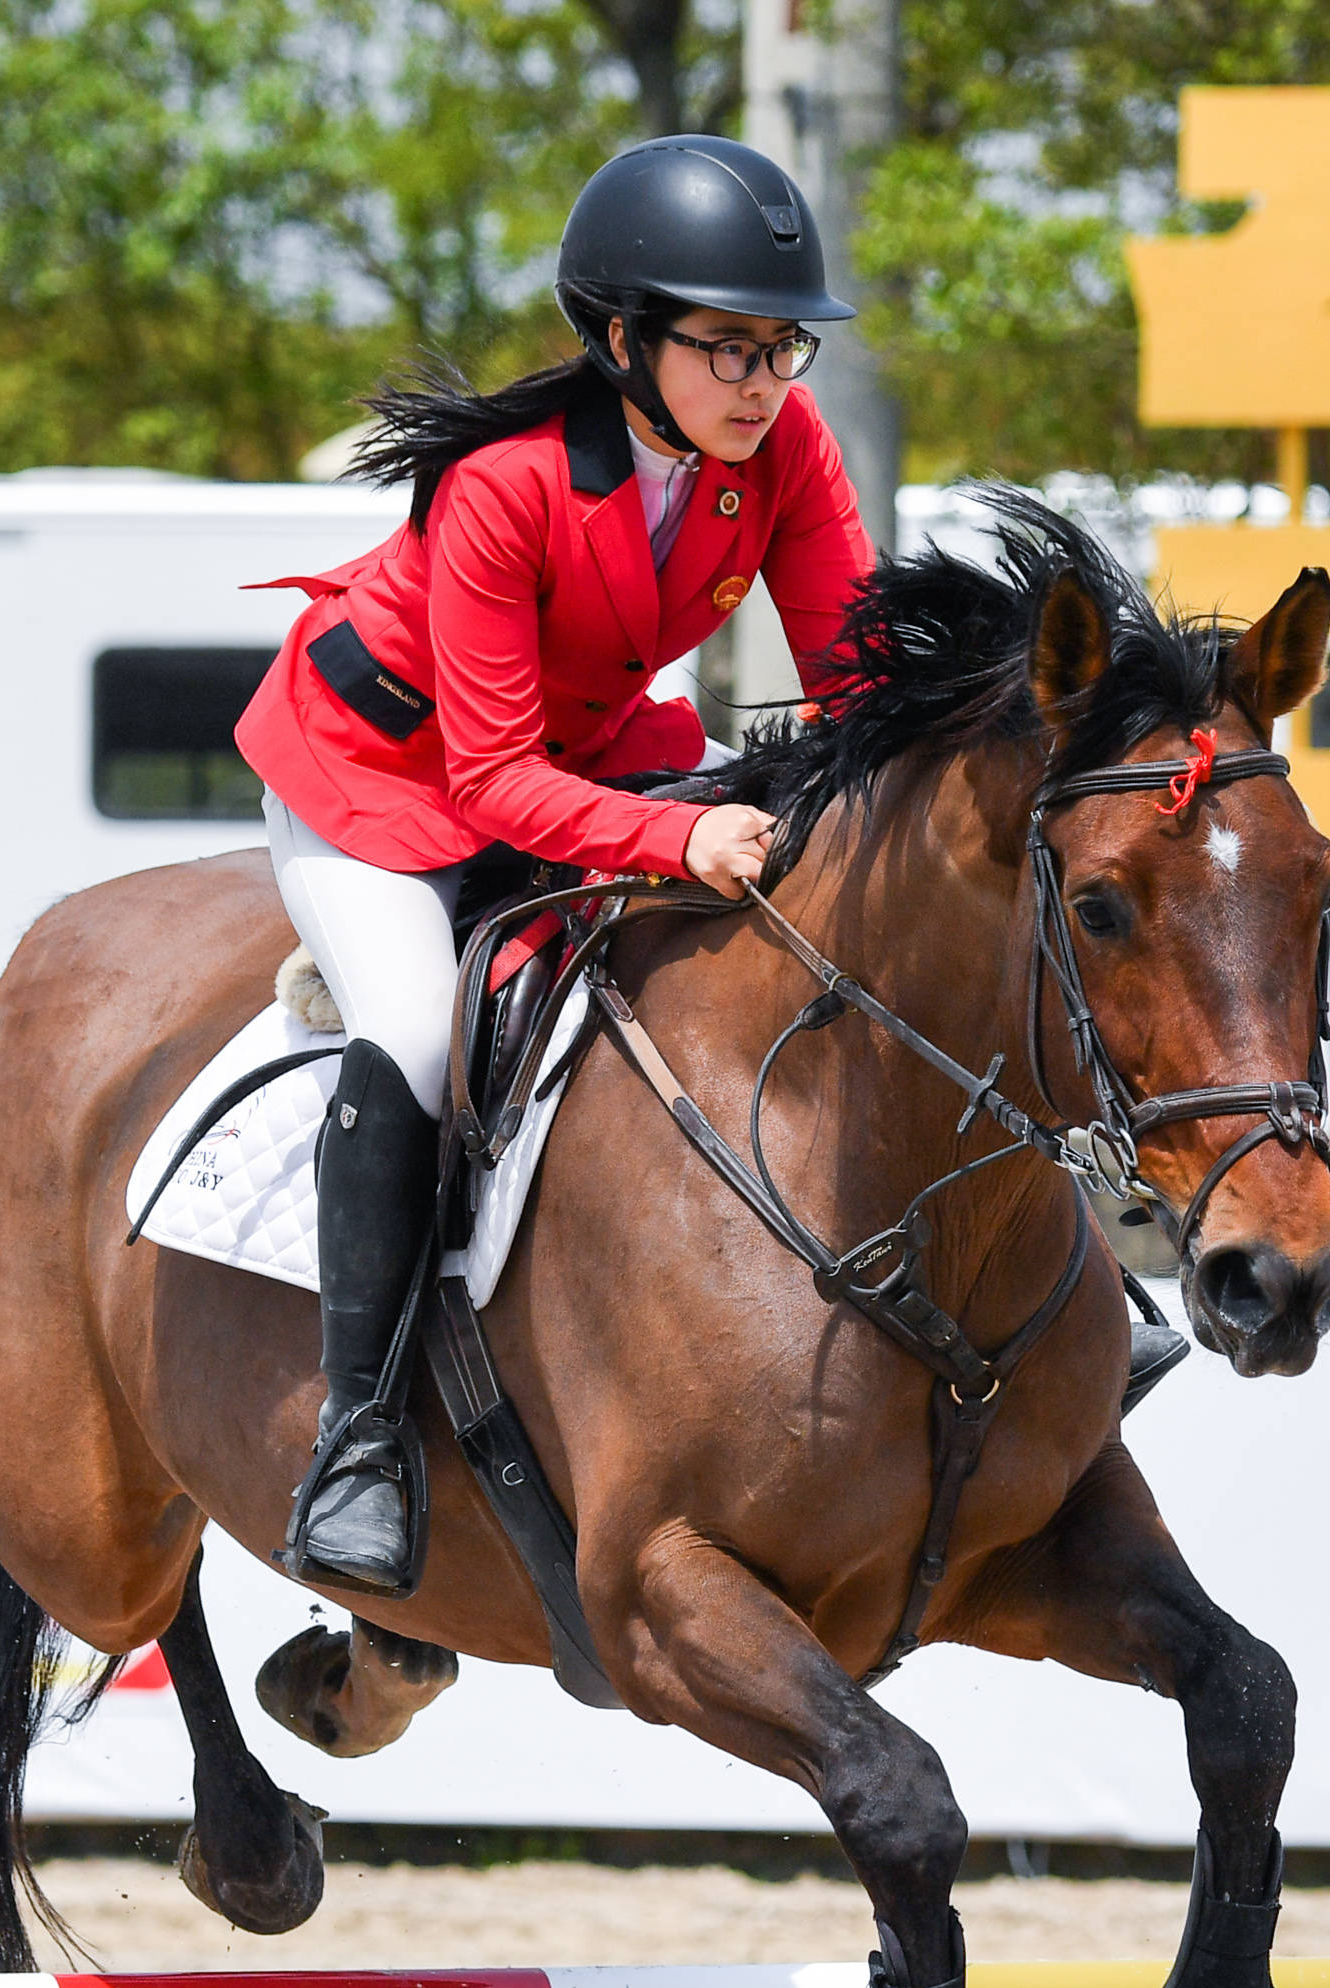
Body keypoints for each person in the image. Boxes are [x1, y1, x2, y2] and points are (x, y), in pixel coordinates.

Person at [234, 133, 1179, 1598]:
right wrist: (677, 831)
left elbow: (868, 687)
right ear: (622, 338)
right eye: (727, 349)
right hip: (387, 778)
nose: (763, 383)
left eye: (781, 350)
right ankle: (359, 1434)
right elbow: (486, 781)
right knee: (418, 1027)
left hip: (590, 746)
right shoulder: (501, 488)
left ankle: (1085, 1286)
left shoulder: (783, 450)